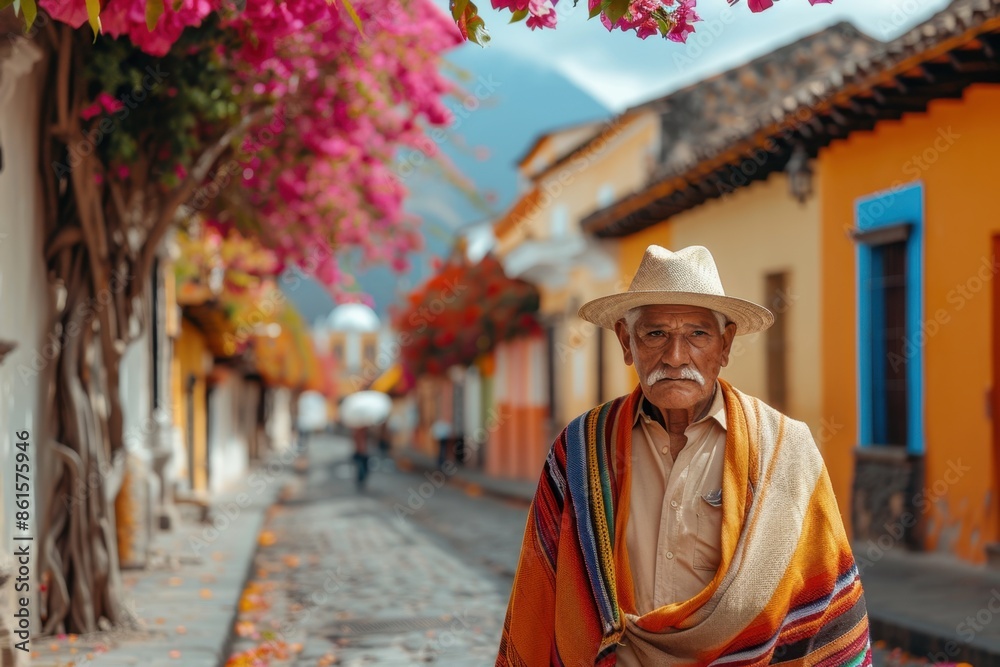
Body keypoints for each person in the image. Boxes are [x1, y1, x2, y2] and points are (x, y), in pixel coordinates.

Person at [497, 246, 871, 666]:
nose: (676, 356)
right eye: (655, 334)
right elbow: (542, 595)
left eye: (697, 335)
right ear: (626, 342)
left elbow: (820, 601)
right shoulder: (581, 450)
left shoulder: (785, 451)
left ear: (725, 345)